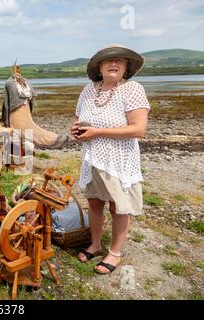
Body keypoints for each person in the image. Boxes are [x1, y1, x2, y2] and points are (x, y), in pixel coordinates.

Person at [71, 44, 150, 274]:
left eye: (119, 61)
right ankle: (95, 244)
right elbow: (76, 120)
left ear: (126, 67)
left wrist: (97, 132)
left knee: (118, 206)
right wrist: (76, 131)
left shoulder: (132, 89)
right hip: (91, 157)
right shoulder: (88, 90)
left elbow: (138, 129)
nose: (113, 64)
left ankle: (114, 253)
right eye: (108, 60)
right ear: (99, 66)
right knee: (94, 202)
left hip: (119, 159)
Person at [2, 63, 69, 149]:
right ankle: (48, 140)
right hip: (16, 113)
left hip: (23, 110)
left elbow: (8, 102)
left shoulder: (23, 81)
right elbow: (7, 101)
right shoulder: (10, 82)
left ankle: (49, 140)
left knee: (30, 128)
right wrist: (7, 122)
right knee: (26, 128)